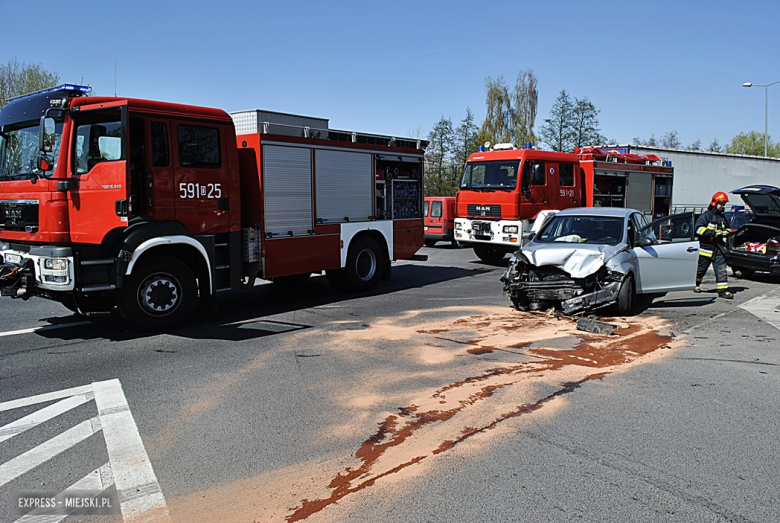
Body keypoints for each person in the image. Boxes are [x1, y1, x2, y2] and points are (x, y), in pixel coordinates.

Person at [694, 191, 733, 299]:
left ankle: (723, 291)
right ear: (714, 203)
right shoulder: (706, 216)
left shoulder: (722, 218)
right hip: (706, 249)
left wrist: (726, 232)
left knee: (721, 269)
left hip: (719, 248)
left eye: (724, 204)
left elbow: (728, 229)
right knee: (701, 270)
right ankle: (695, 284)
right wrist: (713, 233)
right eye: (721, 203)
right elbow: (698, 229)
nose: (722, 206)